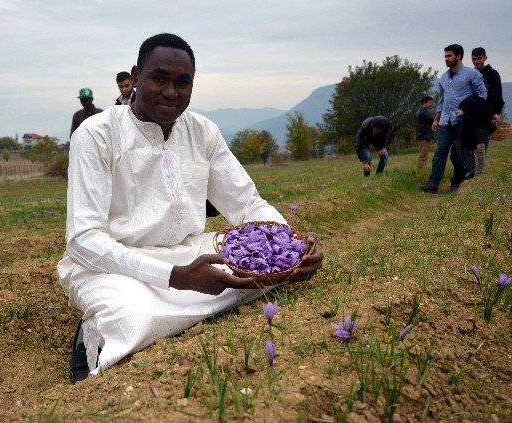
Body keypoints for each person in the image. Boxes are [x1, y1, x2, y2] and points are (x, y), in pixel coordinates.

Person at [57, 33, 323, 382]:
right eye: (160, 78)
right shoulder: (96, 134)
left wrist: (291, 246)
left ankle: (179, 303)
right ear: (136, 78)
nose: (171, 92)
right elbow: (84, 240)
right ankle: (92, 336)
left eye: (182, 82)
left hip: (189, 254)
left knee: (270, 273)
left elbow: (247, 203)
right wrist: (175, 278)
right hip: (113, 265)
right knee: (137, 319)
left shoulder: (203, 131)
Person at [421, 44, 487, 193]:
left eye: (449, 56)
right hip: (445, 120)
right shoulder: (444, 77)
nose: (446, 59)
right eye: (445, 56)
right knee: (440, 152)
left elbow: (482, 95)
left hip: (463, 121)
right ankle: (433, 184)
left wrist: (470, 110)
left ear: (458, 56)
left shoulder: (472, 74)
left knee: (460, 153)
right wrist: (436, 119)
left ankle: (458, 182)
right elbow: (441, 100)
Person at [470, 47, 505, 175]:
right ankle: (469, 170)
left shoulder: (492, 74)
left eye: (479, 58)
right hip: (470, 115)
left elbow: (497, 95)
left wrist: (496, 112)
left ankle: (479, 173)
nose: (476, 61)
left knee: (481, 144)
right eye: (474, 59)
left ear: (485, 58)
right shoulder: (470, 73)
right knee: (469, 144)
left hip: (486, 115)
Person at [415, 96, 435, 170]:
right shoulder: (423, 112)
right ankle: (421, 171)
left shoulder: (421, 111)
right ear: (424, 103)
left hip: (422, 136)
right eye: (430, 103)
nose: (431, 105)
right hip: (424, 137)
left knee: (424, 155)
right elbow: (433, 120)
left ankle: (423, 169)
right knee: (423, 156)